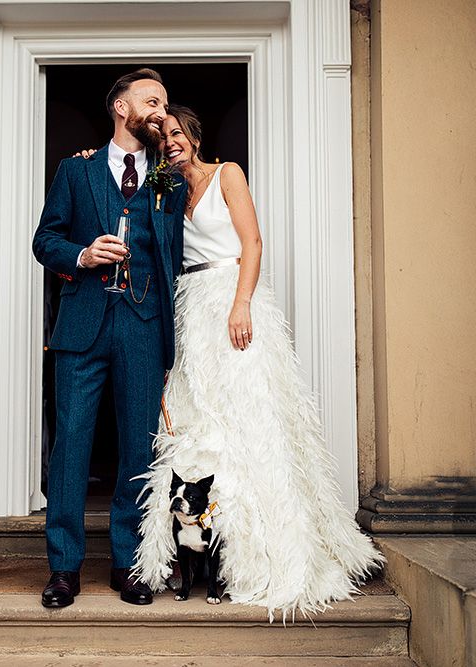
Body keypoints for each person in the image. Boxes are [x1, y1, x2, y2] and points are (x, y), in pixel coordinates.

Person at [130, 104, 385, 621]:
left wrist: (241, 303)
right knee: (198, 422)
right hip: (190, 309)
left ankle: (270, 556)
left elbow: (252, 242)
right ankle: (204, 552)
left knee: (252, 421)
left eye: (176, 133)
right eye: (162, 138)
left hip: (231, 298)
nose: (170, 142)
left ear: (193, 136)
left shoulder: (228, 174)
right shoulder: (165, 193)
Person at [32, 69, 187, 608]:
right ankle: (64, 569)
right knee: (70, 445)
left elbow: (179, 254)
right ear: (120, 107)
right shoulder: (75, 172)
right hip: (82, 325)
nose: (159, 110)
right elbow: (44, 239)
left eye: (163, 103)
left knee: (139, 451)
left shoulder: (170, 179)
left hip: (143, 326)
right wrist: (80, 255)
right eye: (150, 100)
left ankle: (130, 563)